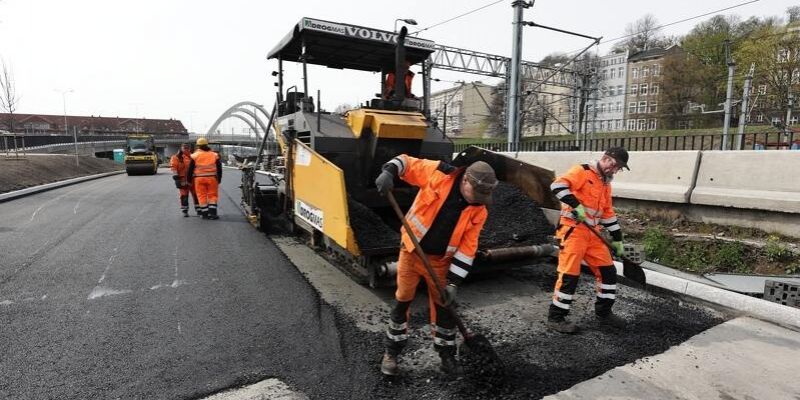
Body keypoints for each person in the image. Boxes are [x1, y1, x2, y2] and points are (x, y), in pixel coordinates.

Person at [375, 154, 498, 376]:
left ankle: (446, 357)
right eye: (477, 193)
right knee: (402, 302)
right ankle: (391, 352)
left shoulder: (479, 210)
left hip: (441, 262)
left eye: (484, 196)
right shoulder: (439, 173)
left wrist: (453, 283)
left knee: (445, 309)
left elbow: (468, 248)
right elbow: (406, 162)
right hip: (411, 252)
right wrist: (388, 171)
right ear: (465, 181)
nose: (478, 200)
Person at [547, 146, 630, 334]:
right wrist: (575, 205)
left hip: (593, 234)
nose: (616, 171)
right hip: (573, 231)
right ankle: (556, 318)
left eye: (619, 169)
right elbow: (557, 186)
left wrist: (617, 238)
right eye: (616, 166)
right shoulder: (582, 171)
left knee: (608, 271)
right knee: (569, 276)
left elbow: (607, 213)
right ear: (607, 159)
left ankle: (604, 313)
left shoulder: (606, 184)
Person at [188, 138, 222, 220]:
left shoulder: (194, 155)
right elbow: (219, 168)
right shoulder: (214, 155)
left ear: (198, 146)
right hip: (212, 178)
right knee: (212, 195)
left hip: (199, 179)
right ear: (207, 144)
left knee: (201, 195)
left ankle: (205, 214)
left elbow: (190, 169)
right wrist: (219, 178)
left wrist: (189, 180)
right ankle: (213, 214)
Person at [170, 143, 201, 217]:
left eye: (187, 147)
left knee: (196, 195)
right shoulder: (176, 157)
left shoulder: (193, 156)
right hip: (182, 180)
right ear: (181, 148)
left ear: (189, 148)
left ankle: (199, 210)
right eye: (185, 148)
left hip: (193, 180)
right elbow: (174, 168)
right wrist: (176, 179)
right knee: (184, 196)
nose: (186, 149)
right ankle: (185, 210)